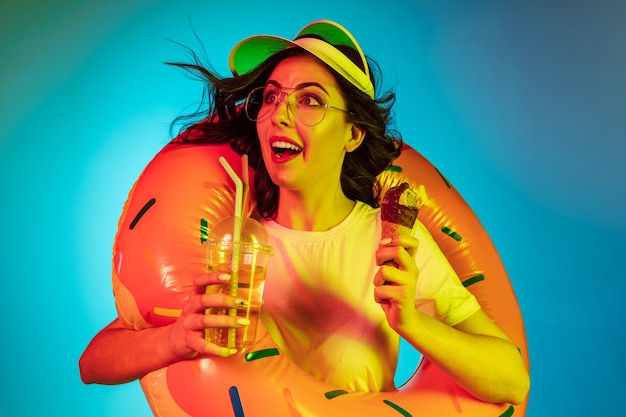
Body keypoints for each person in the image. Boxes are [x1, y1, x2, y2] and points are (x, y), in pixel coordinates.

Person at [79, 20, 529, 404]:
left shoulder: (391, 244)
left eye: (310, 100)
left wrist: (412, 323)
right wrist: (174, 339)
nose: (280, 113)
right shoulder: (235, 245)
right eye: (271, 97)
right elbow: (93, 363)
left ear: (352, 134)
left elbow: (512, 379)